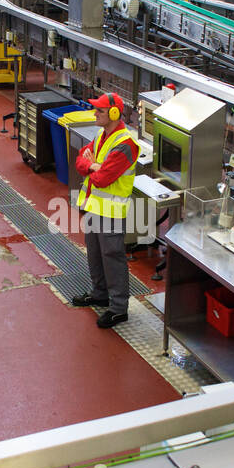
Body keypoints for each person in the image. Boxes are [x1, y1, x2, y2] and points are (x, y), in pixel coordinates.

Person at [71, 92, 138, 328]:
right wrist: (92, 164)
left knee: (113, 257)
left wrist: (92, 166)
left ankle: (119, 308)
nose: (95, 113)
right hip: (93, 206)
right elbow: (80, 161)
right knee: (95, 253)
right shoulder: (102, 136)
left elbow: (103, 178)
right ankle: (100, 293)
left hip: (111, 212)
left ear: (113, 113)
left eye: (99, 110)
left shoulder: (126, 144)